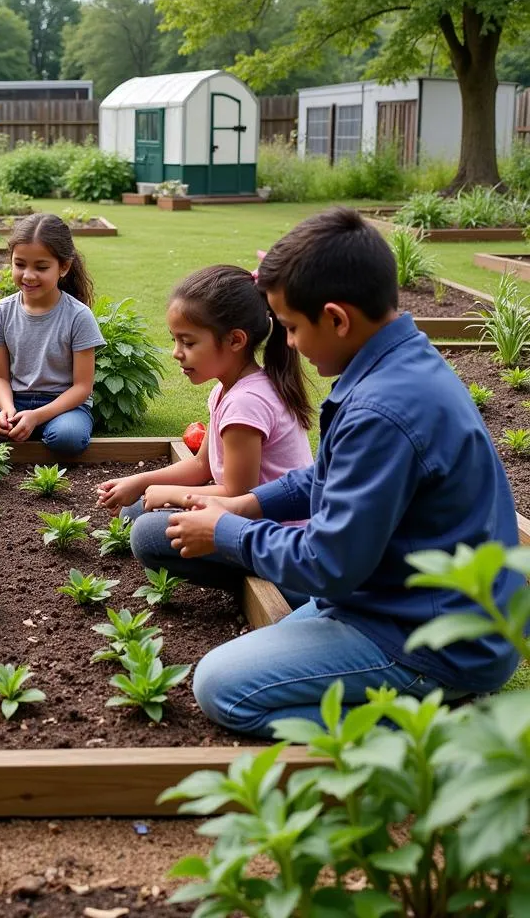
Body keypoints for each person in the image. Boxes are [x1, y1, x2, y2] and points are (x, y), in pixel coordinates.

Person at [162, 208, 524, 736]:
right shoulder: (397, 364)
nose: (287, 343)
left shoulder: (383, 410)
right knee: (265, 649)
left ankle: (436, 730)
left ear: (336, 318)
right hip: (402, 600)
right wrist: (247, 504)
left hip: (433, 637)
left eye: (290, 327)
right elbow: (325, 479)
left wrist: (226, 531)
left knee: (221, 685)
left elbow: (330, 564)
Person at [96, 264, 313, 596]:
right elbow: (202, 467)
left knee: (147, 535)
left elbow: (241, 496)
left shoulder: (246, 404)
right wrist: (140, 481)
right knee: (134, 508)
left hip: (274, 535)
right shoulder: (228, 390)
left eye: (188, 342)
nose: (176, 352)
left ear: (235, 340)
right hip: (244, 517)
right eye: (175, 340)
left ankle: (259, 588)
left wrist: (172, 496)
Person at [0, 213, 105, 455]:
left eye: (41, 267)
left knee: (67, 438)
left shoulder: (78, 316)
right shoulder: (1, 312)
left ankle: (38, 426)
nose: (28, 275)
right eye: (20, 264)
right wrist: (6, 410)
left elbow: (82, 387)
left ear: (64, 267)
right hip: (17, 401)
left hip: (65, 406)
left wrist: (37, 415)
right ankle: (24, 425)